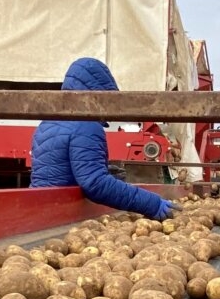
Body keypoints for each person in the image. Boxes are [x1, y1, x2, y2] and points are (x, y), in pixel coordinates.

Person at [31, 57, 177, 220]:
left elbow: (59, 172)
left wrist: (106, 173)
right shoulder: (86, 125)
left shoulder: (47, 122)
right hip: (61, 214)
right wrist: (152, 204)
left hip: (37, 209)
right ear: (99, 96)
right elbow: (95, 183)